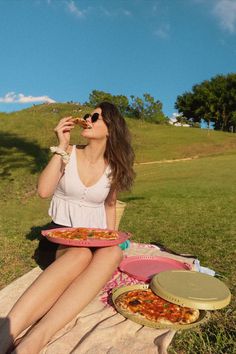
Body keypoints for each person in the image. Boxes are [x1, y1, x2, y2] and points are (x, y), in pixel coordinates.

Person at [0, 102, 135, 354]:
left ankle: (36, 339)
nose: (87, 119)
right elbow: (43, 191)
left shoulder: (113, 167)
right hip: (61, 238)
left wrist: (111, 237)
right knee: (79, 254)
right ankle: (4, 335)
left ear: (110, 128)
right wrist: (60, 147)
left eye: (95, 117)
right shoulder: (69, 153)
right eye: (87, 115)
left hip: (95, 239)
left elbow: (110, 204)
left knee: (114, 253)